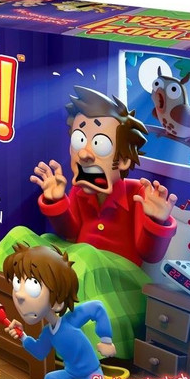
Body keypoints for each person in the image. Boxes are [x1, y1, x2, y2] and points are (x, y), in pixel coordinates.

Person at [31, 85, 177, 266]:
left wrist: (156, 221)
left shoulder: (137, 193)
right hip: (78, 266)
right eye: (79, 141)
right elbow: (70, 233)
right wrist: (57, 202)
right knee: (25, 241)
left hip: (119, 276)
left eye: (100, 144)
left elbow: (149, 255)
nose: (83, 154)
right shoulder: (78, 190)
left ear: (124, 160)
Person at [0, 243, 130, 379]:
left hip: (91, 370)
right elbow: (39, 352)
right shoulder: (48, 333)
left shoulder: (71, 320)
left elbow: (97, 308)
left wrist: (106, 340)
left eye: (33, 285)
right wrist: (22, 336)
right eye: (16, 283)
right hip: (71, 371)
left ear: (57, 302)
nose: (19, 295)